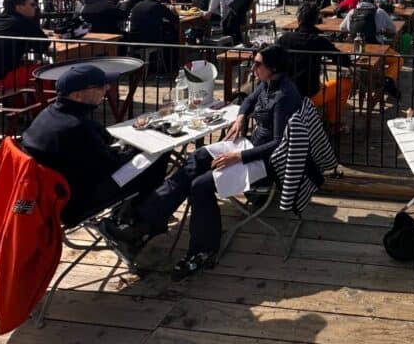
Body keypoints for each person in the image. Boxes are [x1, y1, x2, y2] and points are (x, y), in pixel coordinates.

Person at [107, 46, 301, 278]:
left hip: (265, 161)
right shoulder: (268, 84)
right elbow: (250, 99)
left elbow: (280, 143)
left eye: (258, 64)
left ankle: (203, 251)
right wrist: (241, 116)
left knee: (200, 185)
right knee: (196, 158)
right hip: (249, 147)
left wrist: (236, 157)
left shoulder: (284, 96)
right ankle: (145, 220)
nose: (253, 67)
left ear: (274, 68)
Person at [22, 64, 168, 227]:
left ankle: (138, 212)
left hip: (49, 194)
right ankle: (140, 220)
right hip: (74, 202)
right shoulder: (76, 126)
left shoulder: (49, 113)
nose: (107, 87)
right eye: (100, 86)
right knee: (156, 156)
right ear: (77, 95)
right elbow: (111, 166)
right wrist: (138, 149)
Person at [277, 3, 347, 98]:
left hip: (285, 89)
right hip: (310, 92)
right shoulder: (319, 41)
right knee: (346, 83)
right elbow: (343, 60)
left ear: (298, 18)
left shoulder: (284, 39)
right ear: (316, 20)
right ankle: (326, 113)